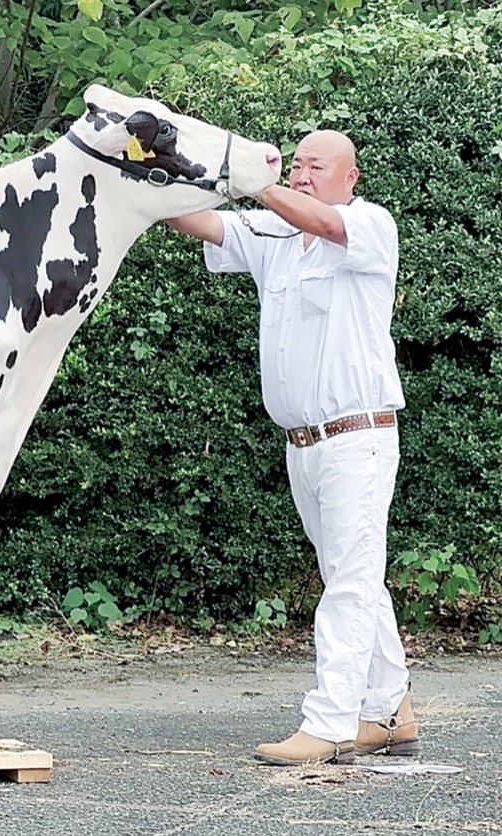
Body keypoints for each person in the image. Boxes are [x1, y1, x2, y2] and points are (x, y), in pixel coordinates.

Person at [164, 130, 418, 765]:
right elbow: (197, 221)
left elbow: (323, 223)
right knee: (349, 574)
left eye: (317, 166)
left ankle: (330, 722)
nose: (303, 174)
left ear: (350, 177)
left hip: (357, 437)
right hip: (303, 444)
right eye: (297, 163)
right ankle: (388, 709)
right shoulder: (272, 232)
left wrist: (264, 185)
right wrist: (153, 171)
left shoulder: (369, 224)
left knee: (351, 582)